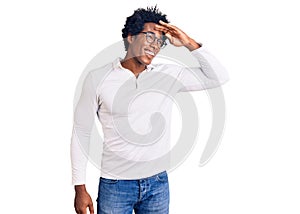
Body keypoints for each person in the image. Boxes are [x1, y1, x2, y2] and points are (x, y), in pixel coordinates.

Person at [71, 6, 229, 214]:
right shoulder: (98, 78)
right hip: (115, 186)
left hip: (157, 184)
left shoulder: (168, 75)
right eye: (150, 37)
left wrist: (189, 43)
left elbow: (219, 76)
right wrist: (80, 188)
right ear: (130, 37)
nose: (155, 46)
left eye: (160, 42)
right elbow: (82, 132)